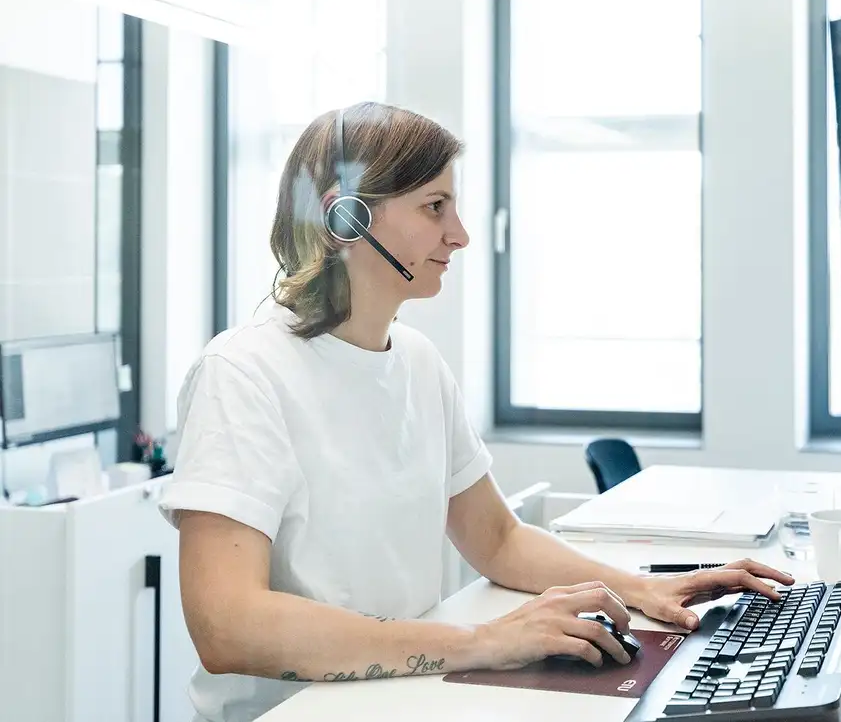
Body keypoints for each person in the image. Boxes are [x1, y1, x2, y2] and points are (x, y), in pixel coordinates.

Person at [158, 102, 794, 722]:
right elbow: (226, 624)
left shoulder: (416, 359)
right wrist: (484, 641)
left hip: (402, 695)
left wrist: (641, 587)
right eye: (435, 208)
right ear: (346, 218)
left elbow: (497, 537)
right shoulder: (242, 374)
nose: (458, 235)